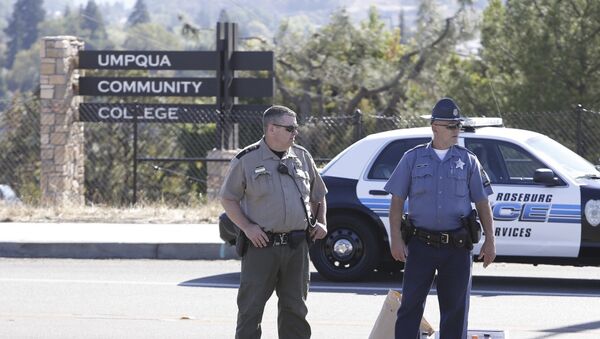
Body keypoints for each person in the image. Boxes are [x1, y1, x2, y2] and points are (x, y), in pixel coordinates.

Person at [384, 98, 496, 338]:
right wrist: (395, 239)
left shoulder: (468, 160)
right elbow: (396, 203)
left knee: (455, 312)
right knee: (410, 308)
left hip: (456, 248)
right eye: (451, 126)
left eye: (459, 126)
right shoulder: (412, 159)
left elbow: (482, 202)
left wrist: (490, 240)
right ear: (435, 126)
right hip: (420, 245)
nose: (457, 131)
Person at [220, 105, 328, 339]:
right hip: (262, 247)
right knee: (251, 309)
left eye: (296, 128)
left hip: (297, 246)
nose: (295, 133)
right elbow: (228, 198)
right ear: (271, 129)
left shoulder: (301, 156)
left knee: (295, 310)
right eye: (290, 128)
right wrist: (247, 228)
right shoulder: (246, 160)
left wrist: (321, 222)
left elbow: (318, 194)